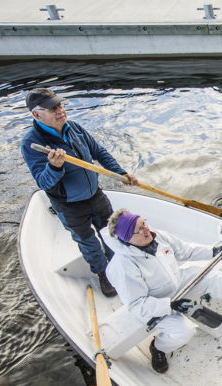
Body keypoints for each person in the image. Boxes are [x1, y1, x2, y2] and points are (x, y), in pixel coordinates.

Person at [20, 87, 138, 297]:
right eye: (52, 108)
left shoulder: (73, 128)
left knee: (111, 231)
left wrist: (120, 173)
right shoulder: (32, 143)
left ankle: (118, 264)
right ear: (36, 114)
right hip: (69, 205)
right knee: (89, 242)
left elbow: (99, 152)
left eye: (60, 105)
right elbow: (44, 182)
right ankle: (104, 273)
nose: (60, 111)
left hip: (95, 194)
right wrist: (55, 167)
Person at [102, 209, 222, 373]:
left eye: (144, 223)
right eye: (139, 229)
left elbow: (186, 250)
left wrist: (213, 251)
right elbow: (137, 305)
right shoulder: (122, 266)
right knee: (185, 331)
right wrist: (169, 304)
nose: (146, 229)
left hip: (177, 283)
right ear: (128, 238)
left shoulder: (156, 237)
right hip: (153, 303)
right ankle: (158, 347)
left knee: (214, 278)